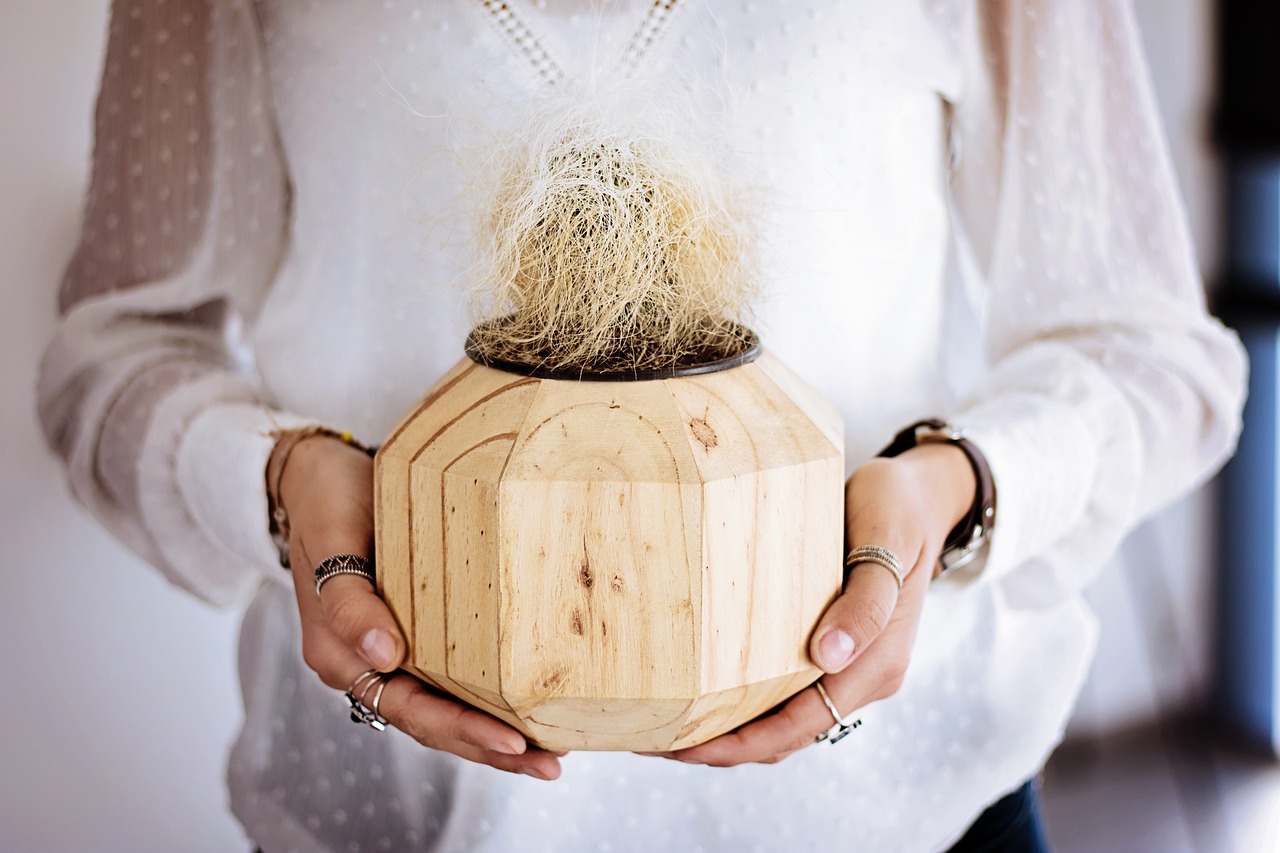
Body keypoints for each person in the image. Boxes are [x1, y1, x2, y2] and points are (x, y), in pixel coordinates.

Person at [36, 1, 1247, 851]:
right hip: (392, 814)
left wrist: (956, 491)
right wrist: (275, 481)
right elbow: (113, 351)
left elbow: (1151, 353)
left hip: (906, 809)